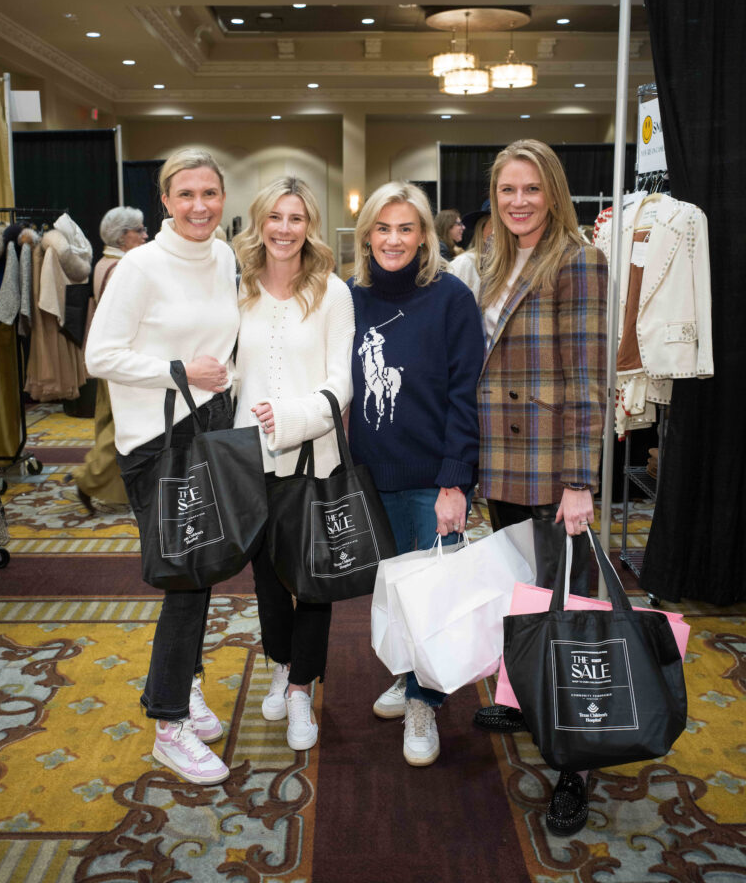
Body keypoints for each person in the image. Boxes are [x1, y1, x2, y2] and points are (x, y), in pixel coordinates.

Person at [86, 148, 240, 786]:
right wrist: (178, 371)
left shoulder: (225, 255)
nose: (200, 206)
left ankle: (186, 686)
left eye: (210, 193)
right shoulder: (140, 267)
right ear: (165, 202)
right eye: (186, 195)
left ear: (222, 199)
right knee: (184, 580)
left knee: (202, 571)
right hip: (156, 441)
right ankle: (168, 723)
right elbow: (100, 355)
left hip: (210, 428)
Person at [473, 140, 607, 836]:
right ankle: (524, 697)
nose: (518, 201)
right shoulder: (497, 261)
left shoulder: (580, 260)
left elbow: (588, 380)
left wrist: (580, 481)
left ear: (553, 192)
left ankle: (576, 764)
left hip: (554, 470)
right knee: (522, 596)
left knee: (572, 610)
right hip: (503, 464)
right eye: (506, 190)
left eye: (531, 189)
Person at [348, 181, 484, 767]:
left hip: (433, 475)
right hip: (369, 474)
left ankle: (425, 702)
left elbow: (465, 394)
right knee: (394, 592)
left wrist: (455, 481)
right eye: (383, 228)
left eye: (406, 228)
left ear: (425, 235)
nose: (394, 239)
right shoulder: (348, 299)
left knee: (433, 595)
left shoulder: (451, 297)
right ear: (367, 236)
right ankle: (406, 677)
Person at [233, 177, 354, 752]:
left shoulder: (332, 291)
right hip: (248, 461)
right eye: (275, 217)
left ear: (311, 226)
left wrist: (289, 416)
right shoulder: (236, 289)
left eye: (297, 218)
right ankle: (282, 664)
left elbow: (341, 383)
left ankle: (303, 685)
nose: (285, 229)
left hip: (313, 457)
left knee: (315, 582)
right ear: (259, 222)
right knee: (267, 581)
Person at [67, 207, 148, 514]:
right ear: (122, 235)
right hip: (122, 361)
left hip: (110, 359)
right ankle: (88, 479)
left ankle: (110, 485)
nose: (145, 235)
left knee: (109, 424)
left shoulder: (104, 262)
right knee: (119, 428)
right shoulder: (123, 267)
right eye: (138, 230)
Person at [448, 205, 493, 303]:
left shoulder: (516, 264)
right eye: (493, 225)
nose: (498, 231)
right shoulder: (464, 263)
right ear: (481, 230)